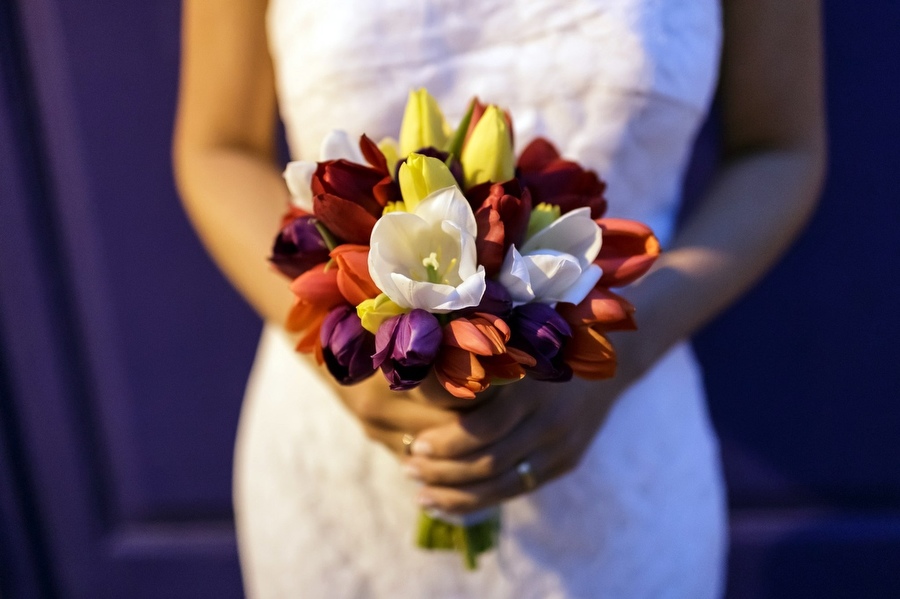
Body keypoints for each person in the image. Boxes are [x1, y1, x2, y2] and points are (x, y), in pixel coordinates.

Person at [173, 0, 826, 596]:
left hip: (618, 437)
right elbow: (218, 144)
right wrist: (349, 362)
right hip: (336, 441)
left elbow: (778, 149)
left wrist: (627, 343)